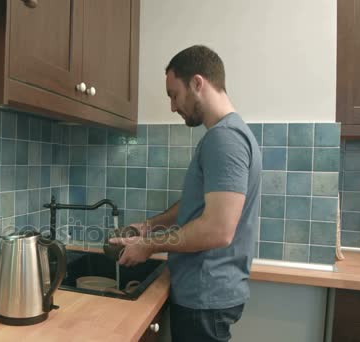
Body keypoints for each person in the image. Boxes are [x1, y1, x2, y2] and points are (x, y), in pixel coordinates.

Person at [109, 45, 262, 341]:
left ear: (197, 83)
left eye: (173, 94)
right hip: (207, 293)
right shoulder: (226, 135)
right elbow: (199, 206)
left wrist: (148, 246)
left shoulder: (225, 139)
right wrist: (149, 226)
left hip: (205, 295)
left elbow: (217, 230)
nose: (172, 106)